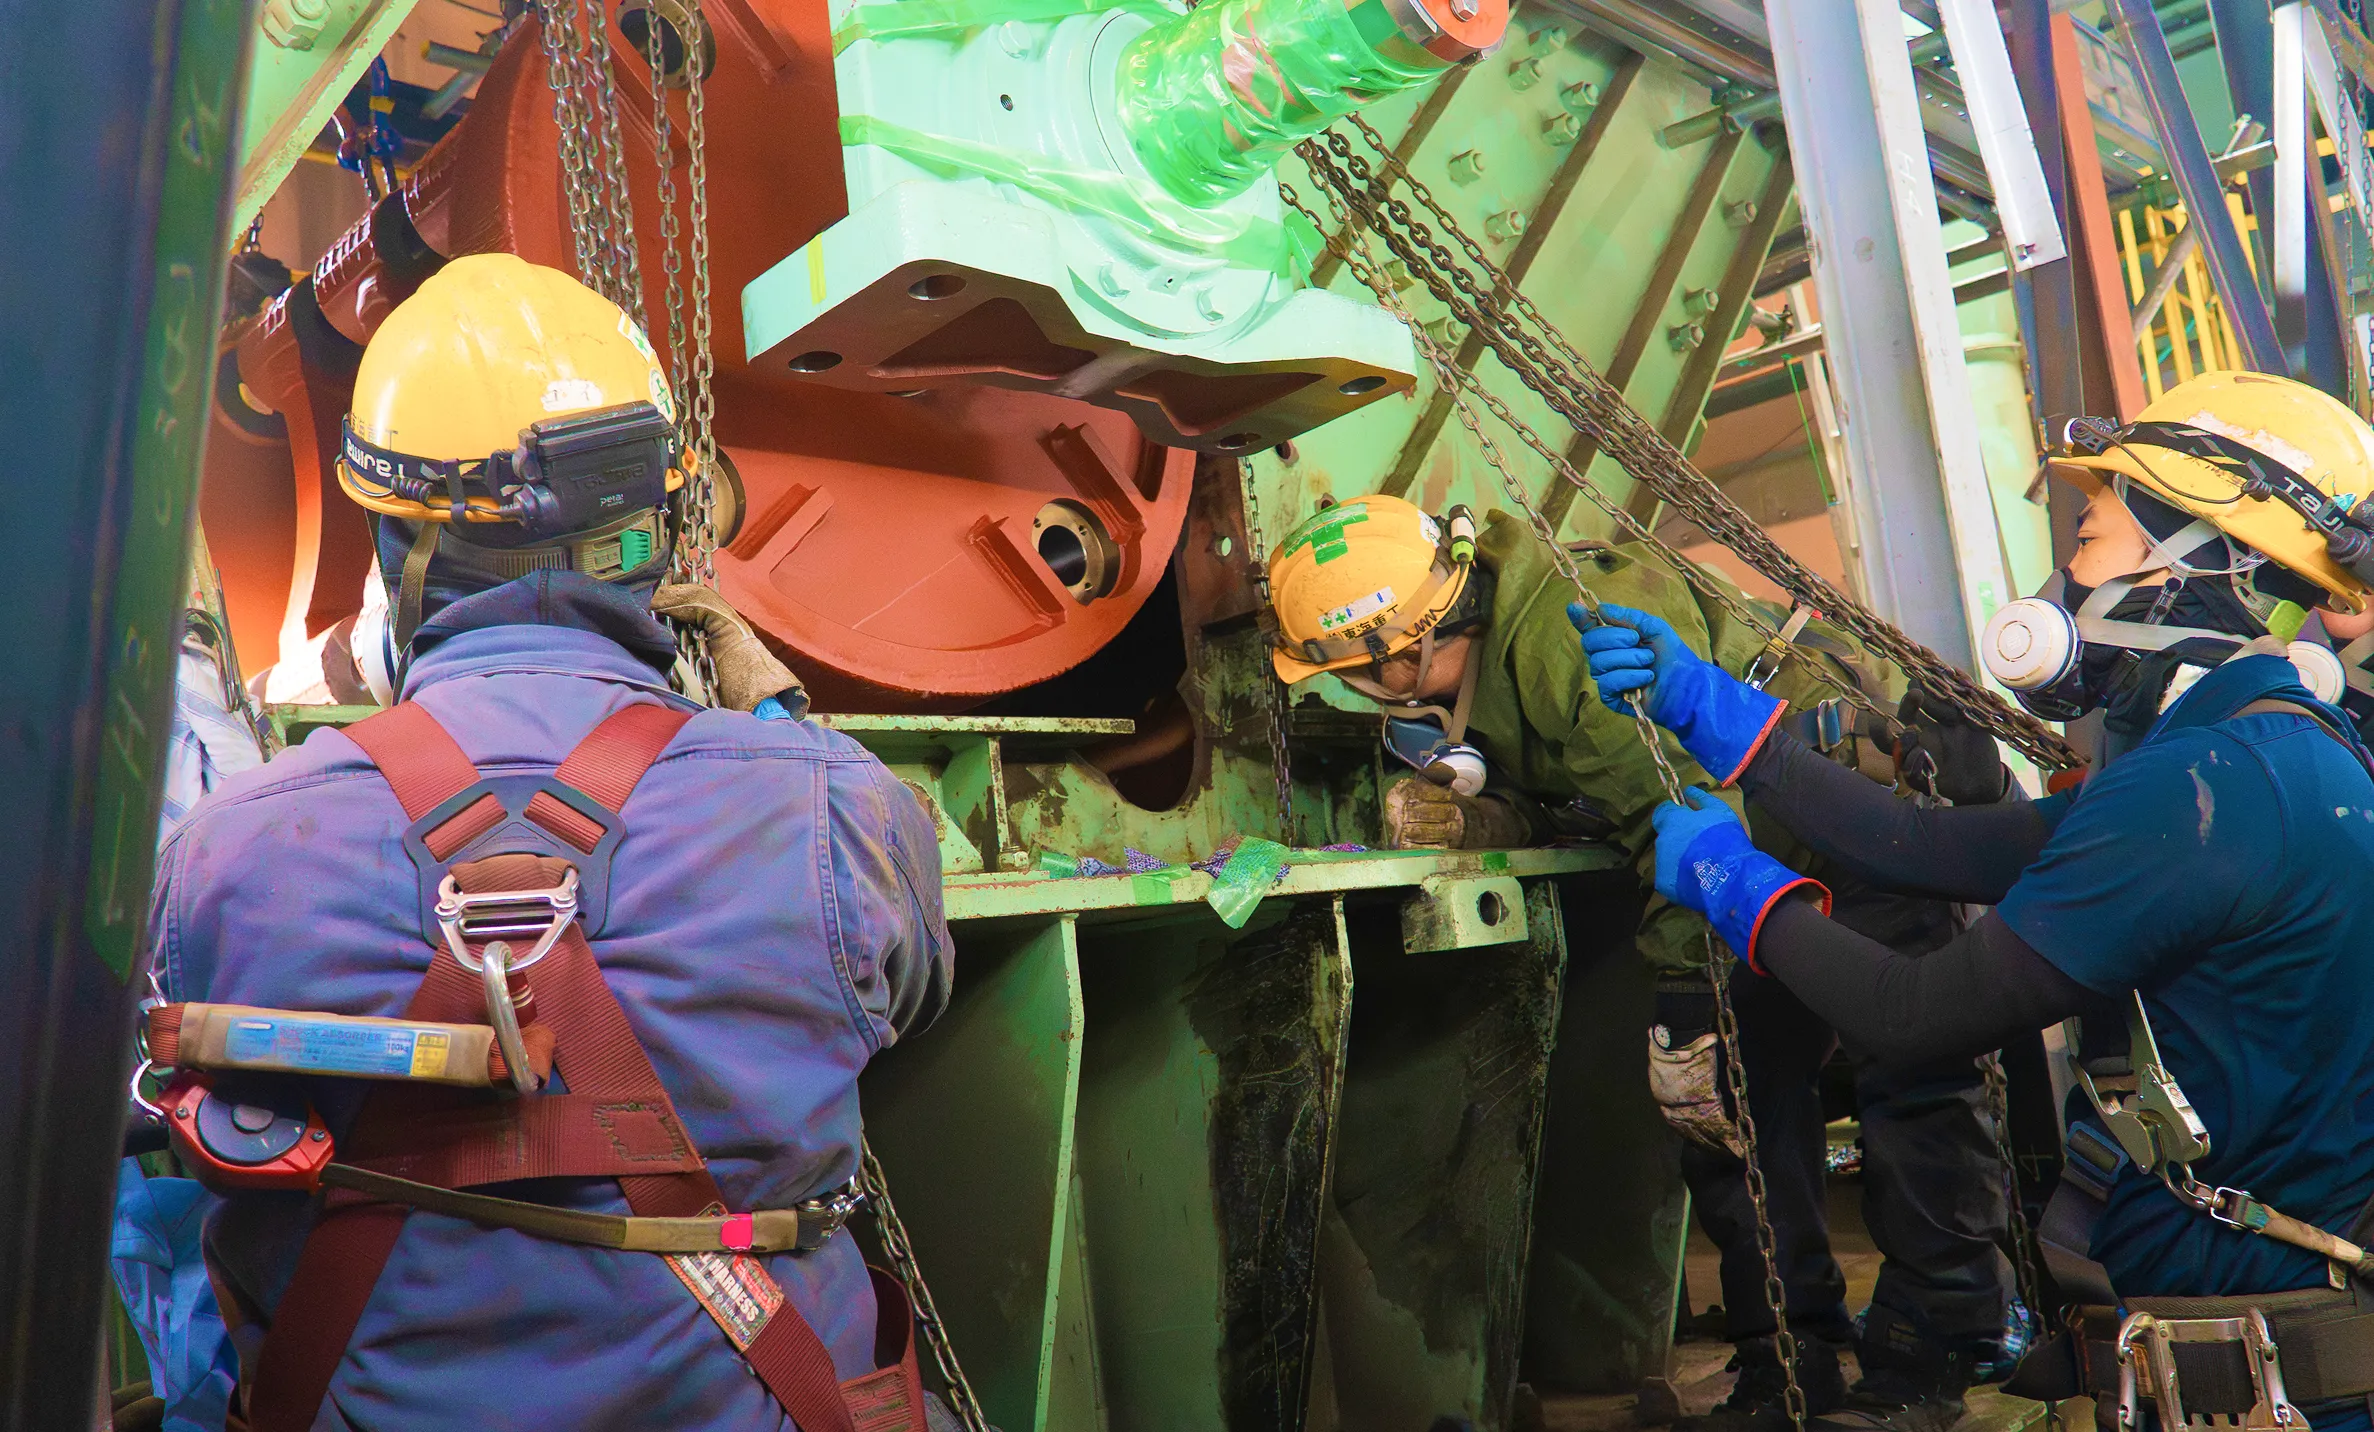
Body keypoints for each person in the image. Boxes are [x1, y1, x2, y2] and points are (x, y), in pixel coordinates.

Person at [146, 254, 952, 1431]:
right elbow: (909, 1003)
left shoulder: (230, 847)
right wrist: (781, 731)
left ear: (393, 546)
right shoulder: (839, 809)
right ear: (656, 531)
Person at [1590, 371, 2374, 1432]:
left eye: (2087, 541)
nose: (2062, 581)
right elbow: (1929, 847)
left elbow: (1915, 1015)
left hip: (2259, 1385)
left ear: (2196, 561)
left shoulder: (2203, 790)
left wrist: (1736, 886)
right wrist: (1713, 712)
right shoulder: (2264, 755)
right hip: (2273, 1351)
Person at [1264, 495, 2018, 1432]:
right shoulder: (1501, 647)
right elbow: (1597, 793)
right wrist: (1487, 816)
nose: (1361, 694)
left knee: (1907, 1085)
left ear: (1396, 652)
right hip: (1769, 840)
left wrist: (1688, 997)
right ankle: (1791, 1364)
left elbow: (1682, 816)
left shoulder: (1568, 639)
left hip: (1862, 829)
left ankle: (1929, 1358)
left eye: (1351, 674)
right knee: (1735, 1116)